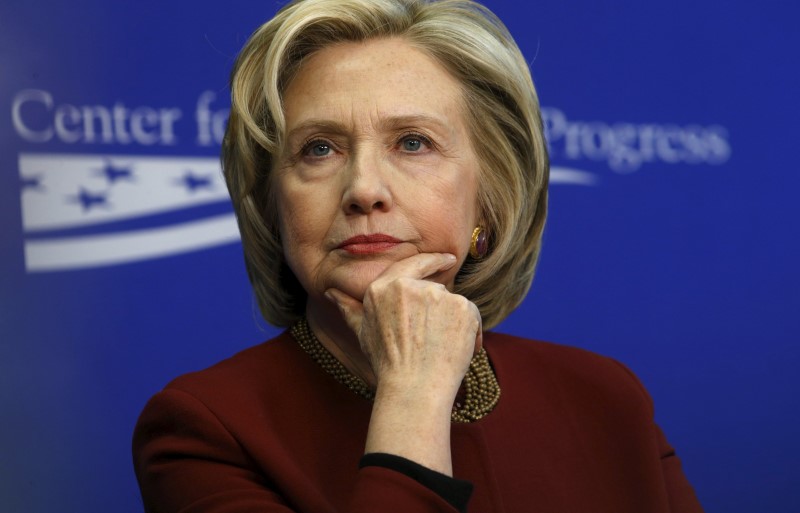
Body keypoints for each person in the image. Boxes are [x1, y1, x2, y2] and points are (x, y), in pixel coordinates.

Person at [132, 0, 704, 511]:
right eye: (319, 149)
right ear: (273, 202)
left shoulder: (606, 398)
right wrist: (413, 396)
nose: (363, 189)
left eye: (413, 142)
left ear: (491, 195)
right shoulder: (204, 428)